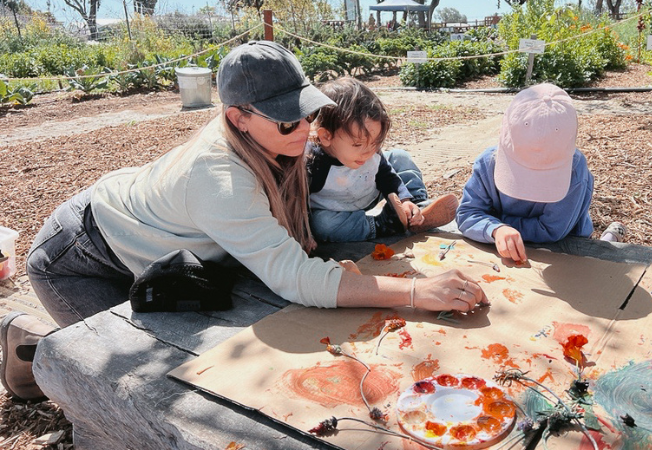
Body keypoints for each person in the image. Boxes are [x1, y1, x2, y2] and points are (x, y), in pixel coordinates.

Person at [0, 41, 487, 402]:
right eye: (288, 121)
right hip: (82, 255)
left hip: (158, 242)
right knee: (128, 379)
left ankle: (33, 356)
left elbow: (293, 242)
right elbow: (294, 278)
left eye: (307, 113)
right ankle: (27, 342)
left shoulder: (275, 138)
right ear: (238, 118)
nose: (305, 129)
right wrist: (417, 291)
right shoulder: (219, 179)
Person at [456, 83, 626, 263]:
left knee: (594, 263)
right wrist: (496, 230)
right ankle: (610, 237)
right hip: (500, 246)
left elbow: (552, 230)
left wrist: (494, 221)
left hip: (567, 246)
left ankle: (609, 239)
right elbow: (466, 213)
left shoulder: (575, 171)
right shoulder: (488, 163)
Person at [307, 77, 458, 242]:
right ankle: (382, 224)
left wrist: (404, 200)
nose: (368, 153)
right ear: (326, 136)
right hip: (338, 210)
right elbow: (298, 203)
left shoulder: (371, 153)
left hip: (371, 193)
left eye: (375, 143)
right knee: (322, 225)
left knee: (399, 156)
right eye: (358, 144)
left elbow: (387, 175)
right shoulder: (312, 164)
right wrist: (303, 235)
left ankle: (416, 209)